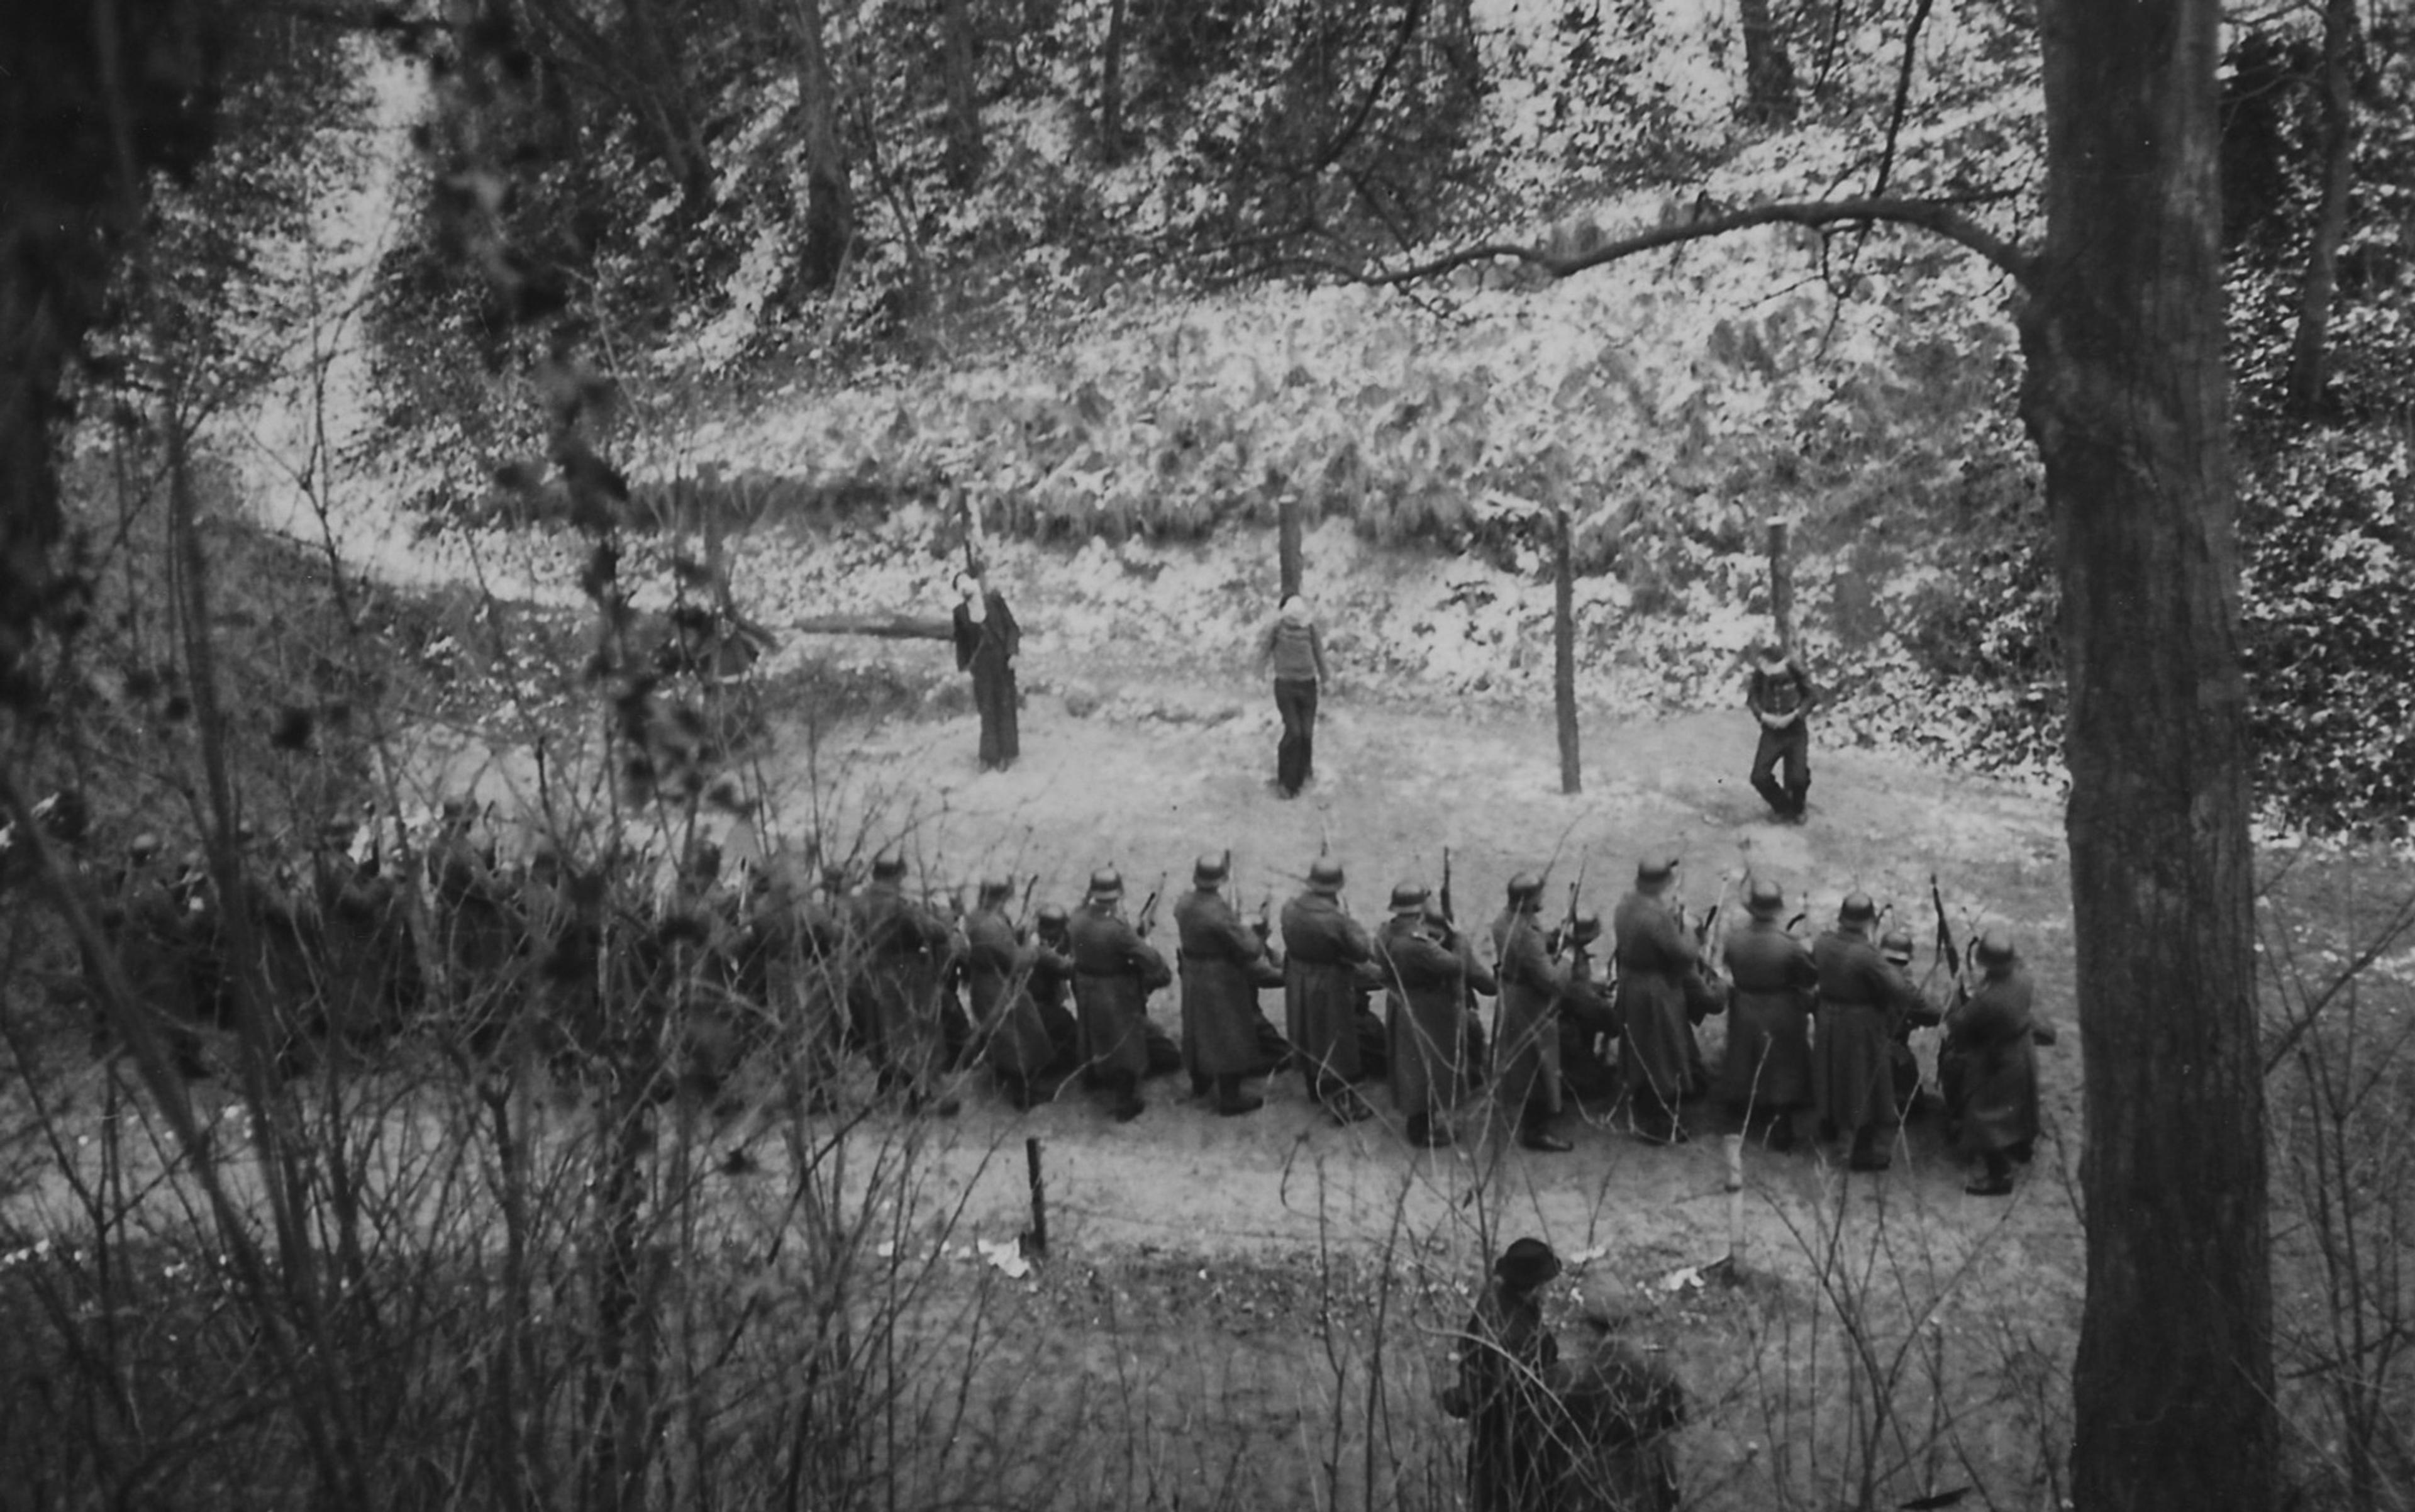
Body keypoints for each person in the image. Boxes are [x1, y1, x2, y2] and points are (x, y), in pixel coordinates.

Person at [1441, 1237, 1566, 1512]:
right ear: (1533, 1287)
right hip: (1518, 1447)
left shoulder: (1493, 1300)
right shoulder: (1521, 1338)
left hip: (1490, 1442)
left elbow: (1470, 1373)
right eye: (1545, 1284)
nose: (1549, 1292)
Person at [1375, 883, 1497, 1147]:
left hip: (1402, 1002)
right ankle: (1421, 1131)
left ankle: (1421, 1124)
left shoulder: (1386, 932)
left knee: (1413, 1065)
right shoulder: (1416, 945)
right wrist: (1461, 938)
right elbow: (1457, 965)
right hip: (1424, 1009)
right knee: (1423, 1068)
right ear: (1419, 912)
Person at [1552, 1283, 1687, 1512]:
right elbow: (1676, 1420)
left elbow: (1560, 1433)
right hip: (1648, 1476)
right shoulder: (1657, 1371)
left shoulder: (1574, 1377)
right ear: (1628, 1325)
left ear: (1589, 1329)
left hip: (1592, 1480)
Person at [1810, 892, 1921, 1171]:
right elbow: (1898, 989)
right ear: (1869, 921)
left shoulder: (1822, 942)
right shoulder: (1867, 954)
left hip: (1828, 1017)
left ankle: (1830, 1129)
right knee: (1863, 1085)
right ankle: (1861, 1152)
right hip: (1859, 1025)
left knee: (1832, 1076)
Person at [1941, 928, 2055, 1196]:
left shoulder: (1987, 1000)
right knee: (2021, 1102)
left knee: (1983, 1115)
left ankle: (1999, 1175)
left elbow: (1959, 1027)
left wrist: (1955, 999)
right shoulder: (2023, 979)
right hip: (2022, 1050)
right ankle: (2020, 1146)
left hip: (1996, 1059)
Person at [851, 848, 962, 1115]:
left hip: (874, 969)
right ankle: (922, 1094)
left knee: (883, 1030)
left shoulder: (859, 902)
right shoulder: (900, 905)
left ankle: (891, 1084)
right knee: (918, 1031)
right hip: (906, 972)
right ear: (898, 874)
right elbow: (934, 932)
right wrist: (945, 920)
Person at [1175, 852, 1286, 1115]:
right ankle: (1230, 1098)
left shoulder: (1183, 903)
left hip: (1193, 973)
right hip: (1220, 978)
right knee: (1229, 1034)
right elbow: (1249, 948)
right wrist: (1253, 933)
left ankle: (1200, 1082)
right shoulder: (1218, 913)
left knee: (1197, 1028)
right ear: (1221, 880)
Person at [1067, 867, 1174, 1121]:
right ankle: (1125, 1102)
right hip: (1114, 992)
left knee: (1091, 1035)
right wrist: (1143, 946)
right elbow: (1153, 963)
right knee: (1127, 1045)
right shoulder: (1118, 930)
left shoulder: (1076, 920)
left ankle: (1091, 1078)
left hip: (1085, 985)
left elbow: (1084, 946)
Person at [1719, 877, 1818, 1150]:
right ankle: (1781, 1123)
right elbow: (1809, 977)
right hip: (1781, 1008)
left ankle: (1741, 1108)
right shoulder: (1790, 945)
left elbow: (1730, 965)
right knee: (1782, 1065)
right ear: (1777, 910)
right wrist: (1808, 949)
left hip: (1744, 1006)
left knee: (1743, 1058)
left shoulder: (1734, 939)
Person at [1281, 857, 1379, 1123]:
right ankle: (1344, 1106)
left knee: (1307, 1033)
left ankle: (1314, 1087)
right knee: (1336, 1041)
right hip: (1328, 982)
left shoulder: (1290, 907)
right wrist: (1354, 925)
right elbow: (1360, 952)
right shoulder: (1336, 921)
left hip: (1298, 976)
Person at [1613, 857, 1701, 1146]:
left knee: (1641, 1050)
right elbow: (1684, 953)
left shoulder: (1625, 905)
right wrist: (1687, 926)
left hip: (1630, 983)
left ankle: (1644, 1103)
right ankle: (1659, 1124)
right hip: (1654, 990)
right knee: (1661, 1052)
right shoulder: (1656, 916)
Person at [1493, 870, 1571, 1151]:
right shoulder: (1525, 934)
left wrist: (1549, 939)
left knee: (1522, 1061)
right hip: (1530, 1004)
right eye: (1539, 896)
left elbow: (1530, 948)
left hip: (1514, 994)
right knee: (1537, 1064)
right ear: (1529, 900)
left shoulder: (1504, 920)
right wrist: (1567, 956)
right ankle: (1535, 1130)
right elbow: (1551, 980)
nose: (1542, 901)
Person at [1257, 594, 1331, 798]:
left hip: (1308, 686)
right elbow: (1264, 650)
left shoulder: (1310, 629)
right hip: (1286, 687)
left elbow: (1320, 653)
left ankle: (1304, 770)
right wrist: (1259, 674)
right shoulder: (1277, 629)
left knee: (1307, 733)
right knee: (1294, 732)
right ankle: (1287, 781)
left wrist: (1326, 679)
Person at [951, 567, 1022, 771]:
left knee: (1004, 706)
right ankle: (988, 755)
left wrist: (1013, 652)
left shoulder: (994, 601)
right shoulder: (961, 613)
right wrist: (963, 668)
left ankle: (1005, 754)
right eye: (960, 588)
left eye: (966, 584)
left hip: (1002, 663)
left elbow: (1012, 628)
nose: (965, 590)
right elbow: (962, 643)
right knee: (987, 708)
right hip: (981, 667)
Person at [1745, 640, 1818, 821]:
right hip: (1772, 732)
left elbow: (1812, 697)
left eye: (1768, 665)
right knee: (1759, 777)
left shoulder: (1796, 671)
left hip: (1795, 731)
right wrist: (1763, 716)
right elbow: (1752, 698)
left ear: (1782, 663)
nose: (1764, 668)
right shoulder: (1760, 675)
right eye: (1762, 664)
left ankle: (1799, 809)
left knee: (1798, 779)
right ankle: (1783, 807)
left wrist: (1795, 715)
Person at [1877, 926, 1944, 1123]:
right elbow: (1933, 1014)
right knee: (1908, 1081)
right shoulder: (1904, 988)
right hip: (1888, 1048)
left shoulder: (1869, 971)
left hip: (1859, 1042)